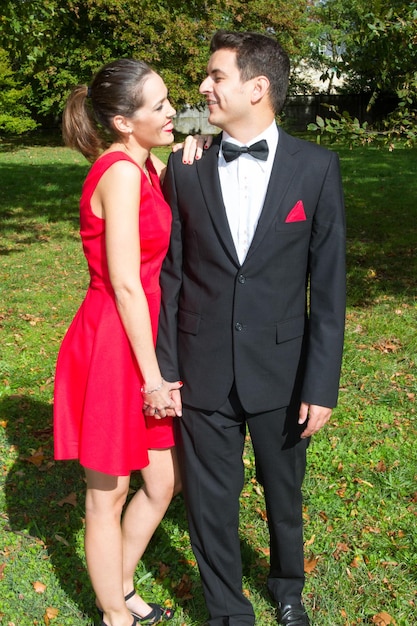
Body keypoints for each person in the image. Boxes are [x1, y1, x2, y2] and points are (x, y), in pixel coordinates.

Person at [156, 31, 346, 626]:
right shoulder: (186, 167)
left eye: (217, 76)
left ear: (257, 87)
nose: (204, 86)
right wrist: (164, 369)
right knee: (211, 504)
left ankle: (287, 587)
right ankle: (227, 613)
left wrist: (321, 384)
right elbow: (173, 274)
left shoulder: (315, 169)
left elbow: (330, 286)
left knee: (283, 497)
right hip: (200, 365)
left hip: (283, 372)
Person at [53, 58, 207, 626]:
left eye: (170, 101)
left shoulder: (145, 165)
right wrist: (153, 378)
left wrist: (188, 159)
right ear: (123, 122)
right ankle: (114, 612)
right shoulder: (118, 172)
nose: (173, 112)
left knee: (162, 482)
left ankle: (119, 582)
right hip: (113, 345)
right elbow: (122, 281)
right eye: (160, 105)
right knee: (108, 493)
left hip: (142, 337)